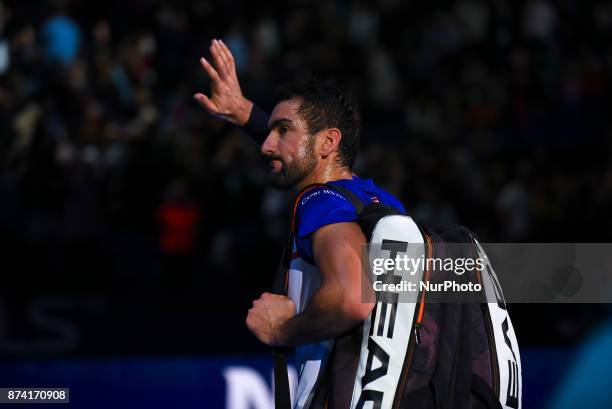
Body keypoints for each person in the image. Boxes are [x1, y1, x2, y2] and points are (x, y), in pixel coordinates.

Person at [194, 38, 406, 408]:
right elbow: (301, 147)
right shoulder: (384, 205)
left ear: (328, 143)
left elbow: (352, 300)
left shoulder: (319, 200)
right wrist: (244, 112)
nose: (266, 146)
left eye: (282, 131)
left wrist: (281, 330)